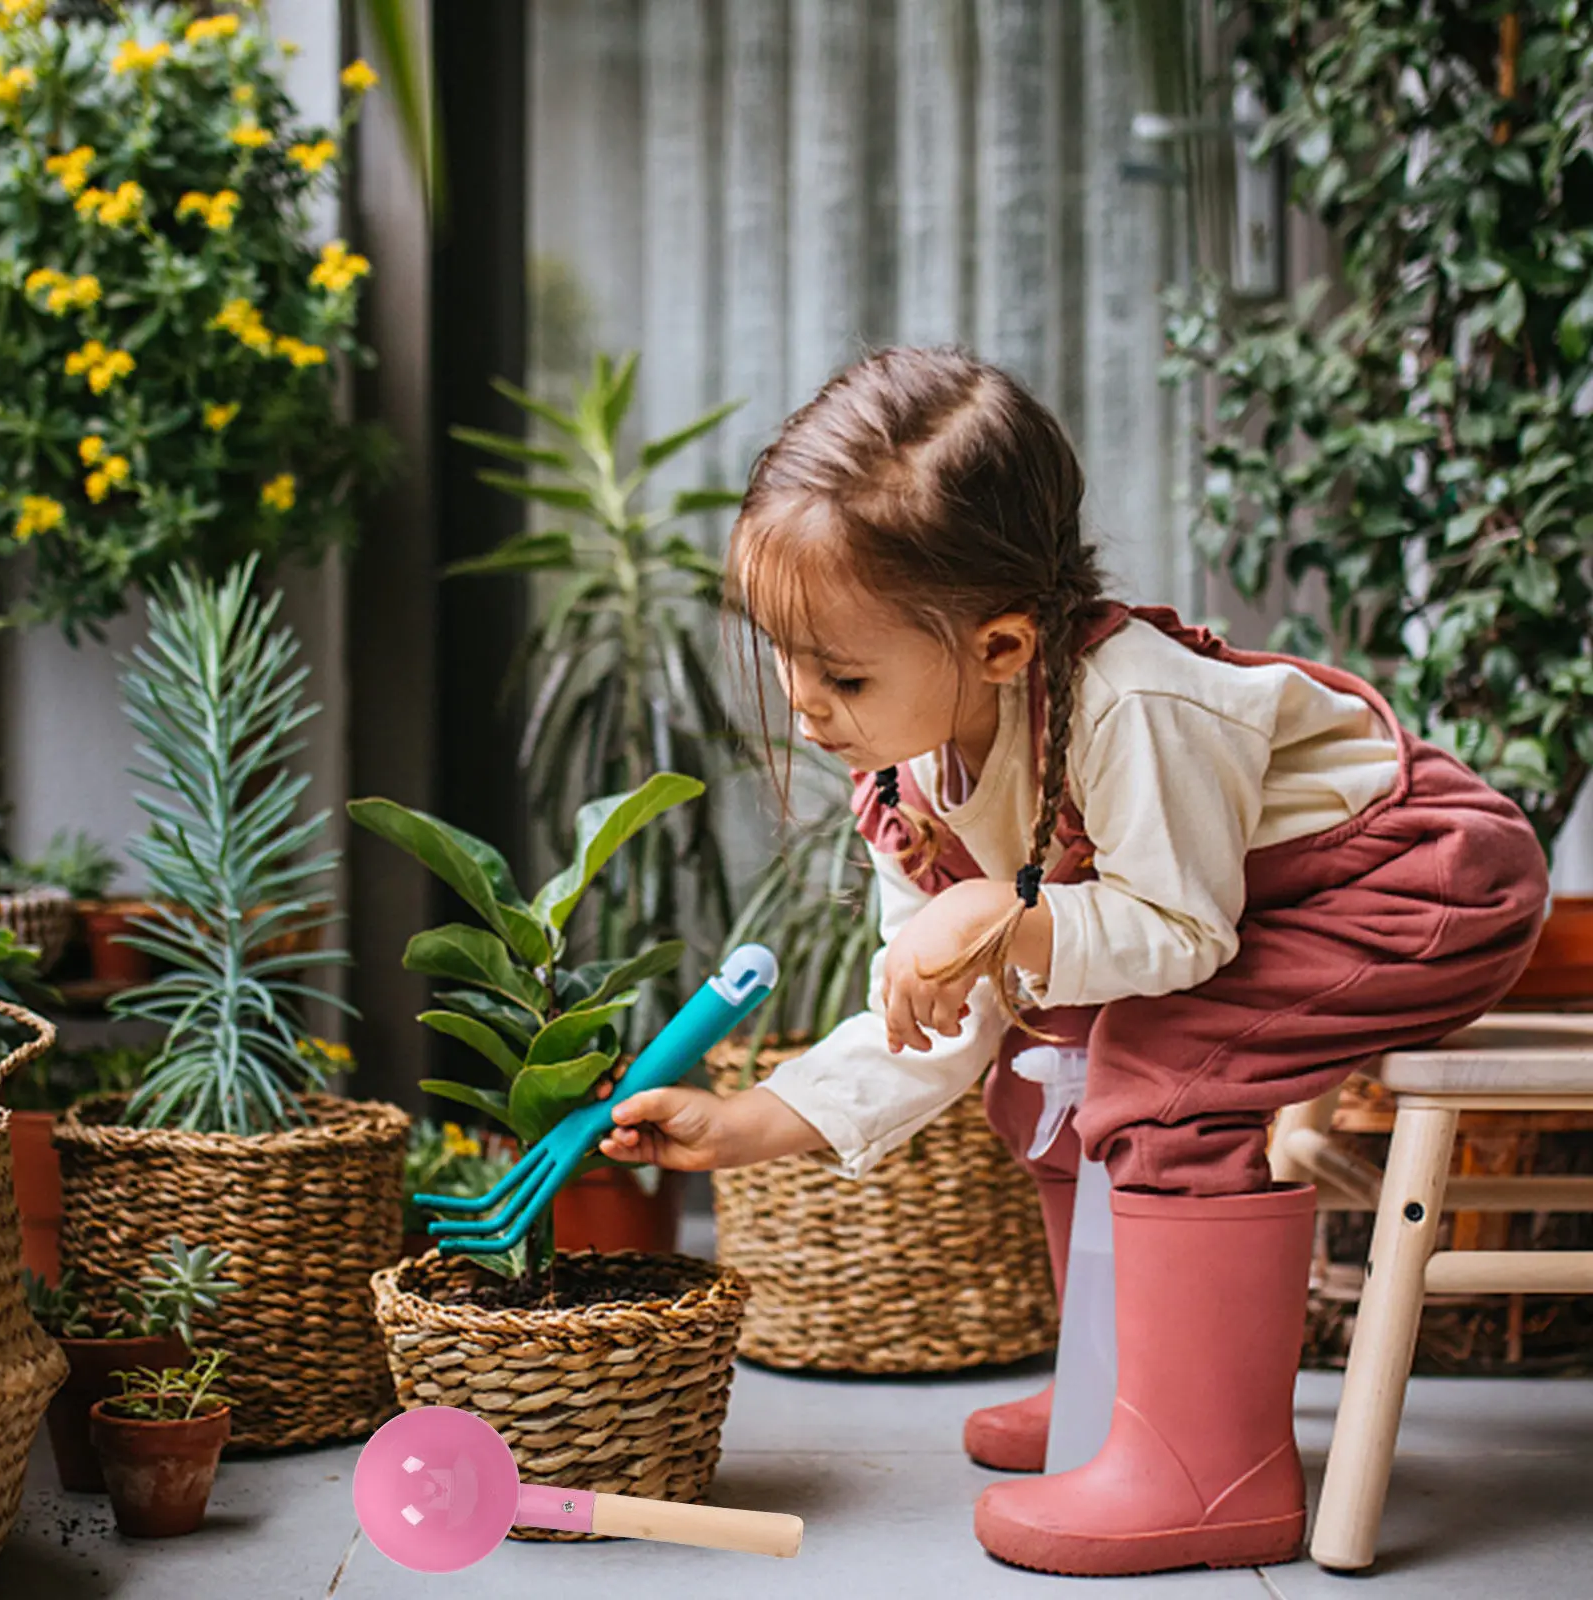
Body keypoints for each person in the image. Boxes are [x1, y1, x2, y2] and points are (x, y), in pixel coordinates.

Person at [594, 346, 1550, 1577]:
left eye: (840, 671)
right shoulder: (910, 778)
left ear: (999, 645)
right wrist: (750, 1122)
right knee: (1043, 1071)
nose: (804, 705)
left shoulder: (1133, 704)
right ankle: (1116, 1389)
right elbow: (943, 1017)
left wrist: (1000, 913)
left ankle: (1210, 1469)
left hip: (1410, 881)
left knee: (1164, 1062)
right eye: (784, 656)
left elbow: (1180, 930)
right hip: (1263, 909)